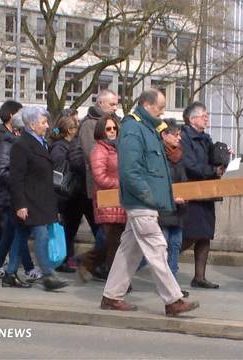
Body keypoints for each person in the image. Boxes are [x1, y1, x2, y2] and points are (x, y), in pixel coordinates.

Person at [100, 88, 198, 316]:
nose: (162, 113)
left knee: (129, 250)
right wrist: (150, 197)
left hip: (142, 201)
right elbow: (131, 171)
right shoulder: (135, 130)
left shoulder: (145, 129)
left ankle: (111, 296)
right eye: (160, 108)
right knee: (156, 247)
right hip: (141, 202)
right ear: (146, 106)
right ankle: (173, 299)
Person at [6, 106, 67, 290]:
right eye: (43, 122)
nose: (47, 126)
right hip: (30, 200)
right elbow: (16, 177)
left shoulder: (41, 142)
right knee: (41, 235)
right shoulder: (21, 145)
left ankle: (10, 273)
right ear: (32, 125)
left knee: (20, 235)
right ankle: (48, 275)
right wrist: (20, 205)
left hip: (42, 199)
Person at [0, 107, 42, 283]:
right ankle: (26, 269)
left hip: (18, 196)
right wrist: (22, 179)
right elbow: (0, 170)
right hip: (9, 197)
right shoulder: (10, 144)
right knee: (19, 233)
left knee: (12, 233)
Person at [179, 102, 223, 289]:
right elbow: (189, 165)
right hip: (191, 190)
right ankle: (163, 263)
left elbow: (211, 159)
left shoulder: (205, 138)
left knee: (205, 235)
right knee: (189, 235)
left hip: (207, 191)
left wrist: (222, 158)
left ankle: (200, 277)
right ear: (192, 119)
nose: (207, 118)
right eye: (203, 115)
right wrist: (211, 170)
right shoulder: (184, 138)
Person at [78, 114, 124, 282]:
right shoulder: (99, 149)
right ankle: (116, 281)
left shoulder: (118, 147)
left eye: (114, 128)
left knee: (114, 243)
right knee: (113, 243)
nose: (112, 132)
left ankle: (88, 262)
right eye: (108, 129)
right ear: (101, 131)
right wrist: (123, 183)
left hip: (121, 201)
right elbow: (100, 177)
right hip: (107, 201)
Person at [48, 109, 83, 273]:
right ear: (70, 130)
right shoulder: (60, 147)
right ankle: (60, 260)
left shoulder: (65, 145)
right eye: (76, 128)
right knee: (63, 228)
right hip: (61, 195)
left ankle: (65, 258)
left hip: (66, 195)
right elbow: (58, 170)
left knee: (68, 228)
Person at [159, 119, 188, 295]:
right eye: (175, 134)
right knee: (161, 246)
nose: (179, 138)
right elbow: (158, 182)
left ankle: (173, 284)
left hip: (179, 207)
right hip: (164, 206)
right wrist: (171, 197)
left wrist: (186, 195)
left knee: (175, 244)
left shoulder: (179, 155)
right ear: (165, 135)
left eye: (179, 134)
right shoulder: (158, 155)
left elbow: (183, 179)